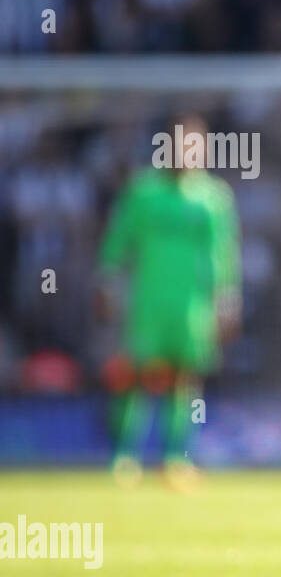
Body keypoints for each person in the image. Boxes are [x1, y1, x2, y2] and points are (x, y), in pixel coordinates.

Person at [98, 116, 242, 492]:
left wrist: (227, 300)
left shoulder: (213, 198)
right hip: (148, 303)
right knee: (136, 376)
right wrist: (108, 282)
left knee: (185, 380)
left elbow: (223, 256)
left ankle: (176, 458)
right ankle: (124, 458)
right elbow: (116, 243)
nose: (187, 155)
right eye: (181, 146)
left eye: (195, 147)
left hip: (192, 307)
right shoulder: (142, 193)